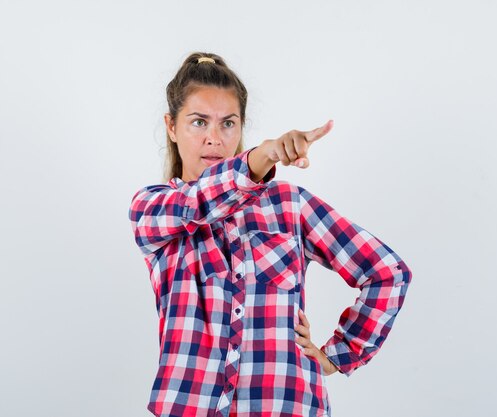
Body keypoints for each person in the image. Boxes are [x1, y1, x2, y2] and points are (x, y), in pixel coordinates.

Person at [128, 52, 412, 417]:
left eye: (227, 124)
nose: (214, 138)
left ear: (241, 127)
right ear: (172, 127)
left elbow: (388, 272)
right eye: (199, 122)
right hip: (190, 406)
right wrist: (263, 156)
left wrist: (337, 356)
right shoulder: (153, 209)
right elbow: (198, 202)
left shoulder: (290, 206)